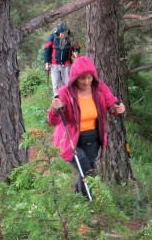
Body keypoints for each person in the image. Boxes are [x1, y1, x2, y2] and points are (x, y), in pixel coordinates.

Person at [47, 56, 126, 197]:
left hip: (92, 138)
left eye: (89, 78)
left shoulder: (99, 88)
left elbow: (111, 104)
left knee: (87, 169)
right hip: (70, 140)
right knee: (86, 171)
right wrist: (55, 108)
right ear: (74, 78)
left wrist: (118, 108)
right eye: (82, 78)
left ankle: (79, 198)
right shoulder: (65, 92)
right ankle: (90, 202)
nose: (86, 81)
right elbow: (53, 120)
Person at [42, 22, 79, 95]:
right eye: (60, 33)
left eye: (63, 33)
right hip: (54, 64)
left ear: (67, 33)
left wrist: (76, 52)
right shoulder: (53, 36)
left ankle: (69, 100)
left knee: (68, 83)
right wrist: (47, 62)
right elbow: (47, 48)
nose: (61, 35)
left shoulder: (71, 37)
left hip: (67, 64)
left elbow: (77, 47)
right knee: (56, 84)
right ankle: (57, 100)